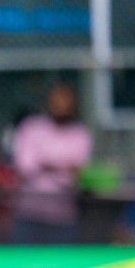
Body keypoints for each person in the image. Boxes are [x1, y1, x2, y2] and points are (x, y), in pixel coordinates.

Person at [11, 82, 91, 244]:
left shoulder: (80, 134)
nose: (61, 106)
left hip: (64, 214)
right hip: (29, 211)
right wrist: (61, 167)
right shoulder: (31, 127)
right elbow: (25, 166)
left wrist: (46, 165)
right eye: (57, 101)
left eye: (66, 102)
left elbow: (76, 171)